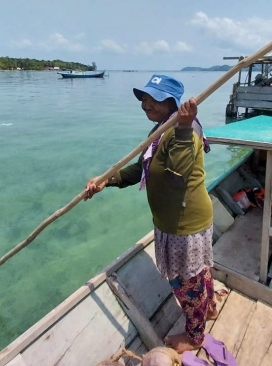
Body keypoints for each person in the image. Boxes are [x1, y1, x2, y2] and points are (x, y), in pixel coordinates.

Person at [84, 74, 216, 353]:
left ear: (173, 103)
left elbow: (178, 172)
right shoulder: (160, 130)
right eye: (143, 99)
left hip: (184, 224)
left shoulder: (186, 131)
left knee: (185, 283)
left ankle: (195, 335)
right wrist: (110, 179)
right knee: (198, 273)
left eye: (153, 99)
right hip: (175, 220)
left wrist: (182, 126)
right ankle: (209, 309)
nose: (146, 104)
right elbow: (143, 168)